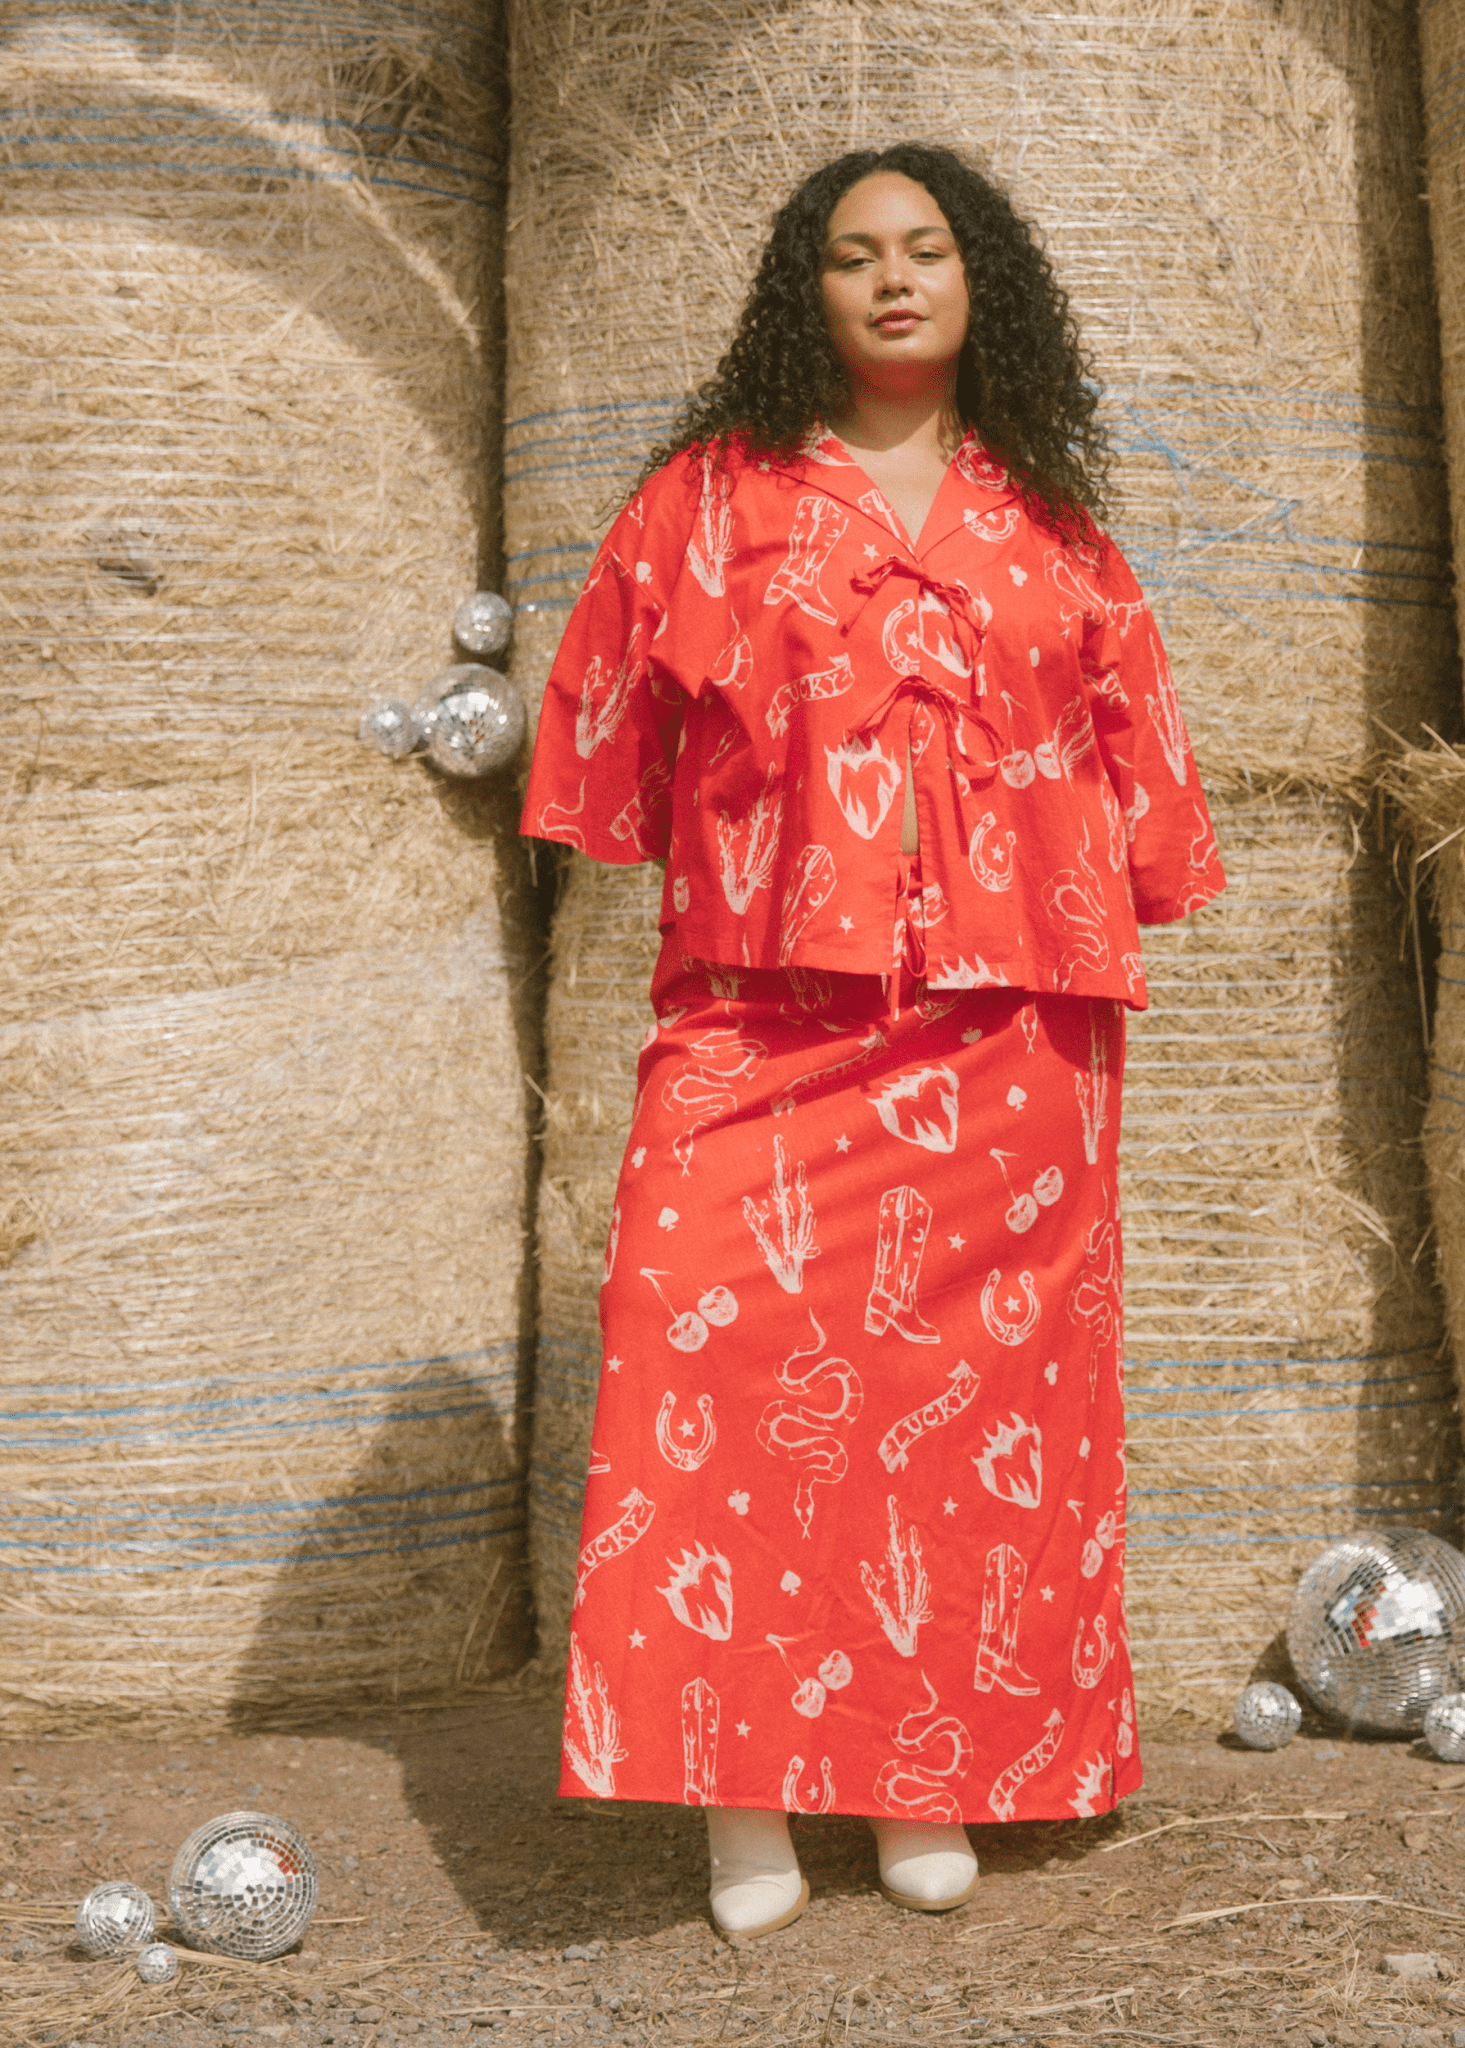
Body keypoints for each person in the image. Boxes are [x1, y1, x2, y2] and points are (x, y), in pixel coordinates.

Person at [520, 140, 1225, 1938]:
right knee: (697, 1373)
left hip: (1009, 1038)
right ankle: (739, 1798)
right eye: (853, 254)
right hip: (759, 1017)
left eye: (925, 248)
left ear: (982, 280)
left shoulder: (1054, 527)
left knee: (965, 1412)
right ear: (805, 289)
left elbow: (1144, 781)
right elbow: (600, 741)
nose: (893, 278)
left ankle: (929, 1775)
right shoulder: (698, 503)